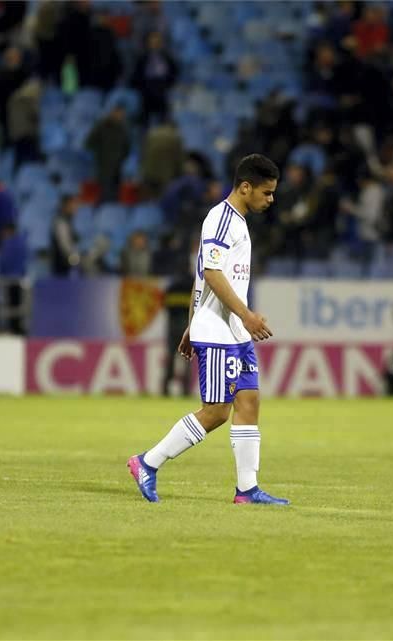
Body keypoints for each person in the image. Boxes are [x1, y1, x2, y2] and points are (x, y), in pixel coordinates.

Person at [127, 154, 288, 505]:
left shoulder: (238, 222)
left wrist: (189, 325)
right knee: (216, 410)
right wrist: (244, 315)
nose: (271, 199)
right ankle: (147, 462)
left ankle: (247, 489)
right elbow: (212, 275)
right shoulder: (221, 219)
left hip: (233, 332)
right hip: (220, 331)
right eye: (267, 192)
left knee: (249, 402)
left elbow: (202, 279)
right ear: (245, 187)